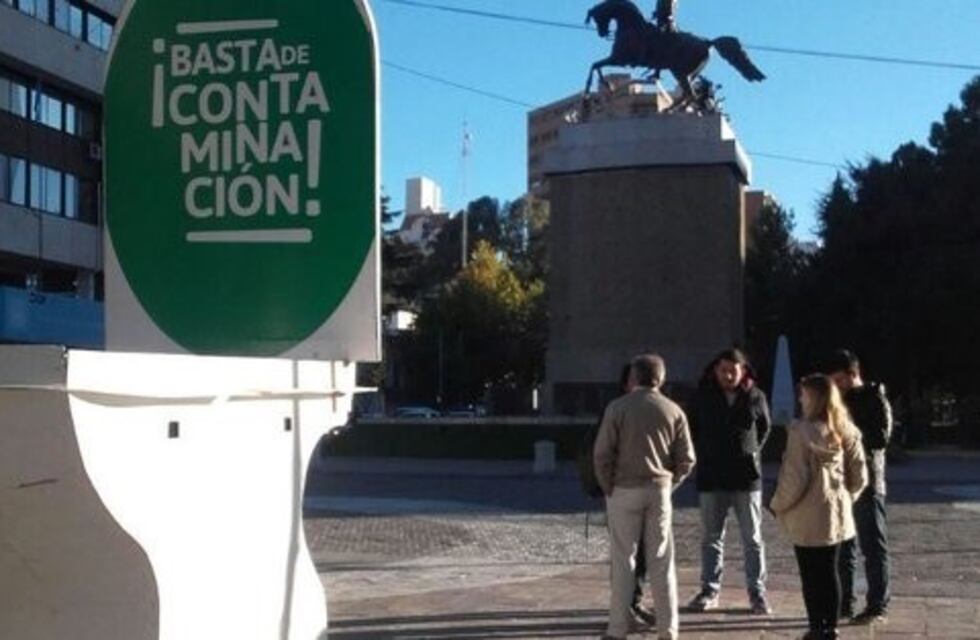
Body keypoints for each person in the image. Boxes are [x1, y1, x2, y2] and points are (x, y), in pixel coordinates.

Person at [594, 354, 696, 640]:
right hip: (659, 489)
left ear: (634, 377)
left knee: (623, 561)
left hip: (623, 489)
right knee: (662, 561)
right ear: (661, 378)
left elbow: (602, 454)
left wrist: (608, 488)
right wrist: (670, 483)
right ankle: (668, 630)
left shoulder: (617, 408)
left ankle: (617, 628)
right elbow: (687, 459)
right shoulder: (674, 410)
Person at [770, 374, 868, 639]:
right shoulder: (846, 429)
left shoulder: (801, 431)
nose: (799, 398)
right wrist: (847, 498)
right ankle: (831, 626)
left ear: (811, 397)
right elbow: (860, 476)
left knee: (810, 574)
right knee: (830, 571)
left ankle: (816, 626)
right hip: (836, 513)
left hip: (805, 514)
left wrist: (777, 504)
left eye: (802, 394)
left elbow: (794, 479)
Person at [685, 349, 773, 615]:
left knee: (753, 539)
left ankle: (757, 593)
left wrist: (751, 450)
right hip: (712, 477)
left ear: (743, 370)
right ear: (716, 370)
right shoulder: (702, 396)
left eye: (734, 370)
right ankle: (709, 590)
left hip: (746, 478)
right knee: (711, 537)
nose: (728, 375)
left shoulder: (755, 396)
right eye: (724, 370)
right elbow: (691, 429)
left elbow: (765, 428)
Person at [575, 364, 656, 627]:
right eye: (635, 379)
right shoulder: (615, 410)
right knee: (625, 554)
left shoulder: (655, 409)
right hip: (621, 491)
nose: (640, 385)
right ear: (625, 384)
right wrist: (609, 486)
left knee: (642, 553)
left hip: (648, 492)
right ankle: (622, 610)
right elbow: (600, 453)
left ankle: (635, 602)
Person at [826, 349, 893, 624]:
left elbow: (880, 439)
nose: (836, 386)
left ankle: (878, 604)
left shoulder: (875, 398)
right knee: (843, 546)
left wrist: (849, 431)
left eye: (840, 380)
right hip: (840, 482)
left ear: (854, 375)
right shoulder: (834, 401)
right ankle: (844, 602)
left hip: (868, 482)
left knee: (873, 546)